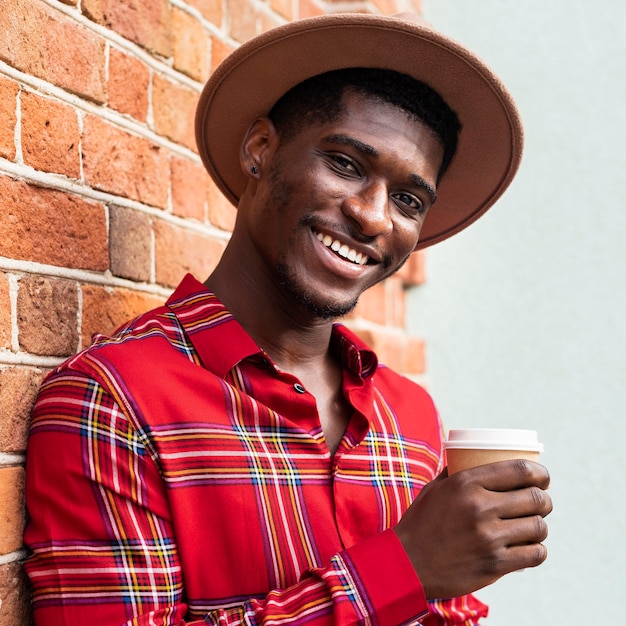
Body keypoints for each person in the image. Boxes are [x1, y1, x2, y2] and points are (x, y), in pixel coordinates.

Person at [23, 12, 552, 626]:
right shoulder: (113, 402)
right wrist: (401, 569)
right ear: (261, 150)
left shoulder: (410, 416)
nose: (373, 216)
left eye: (408, 200)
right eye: (347, 164)